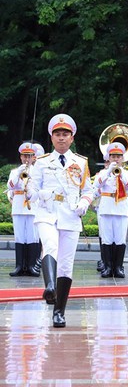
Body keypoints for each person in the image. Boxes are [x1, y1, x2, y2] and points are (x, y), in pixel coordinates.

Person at [28, 114, 94, 327]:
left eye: (65, 134)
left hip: (70, 214)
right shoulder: (41, 162)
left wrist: (84, 203)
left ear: (72, 138)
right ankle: (49, 286)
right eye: (57, 134)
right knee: (50, 245)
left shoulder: (81, 162)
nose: (61, 138)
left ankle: (59, 312)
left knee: (66, 265)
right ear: (51, 137)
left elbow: (88, 189)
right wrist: (35, 193)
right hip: (47, 212)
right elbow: (32, 187)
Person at [93, 142, 128, 278]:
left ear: (123, 158)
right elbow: (96, 184)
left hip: (121, 209)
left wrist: (121, 173)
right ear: (109, 157)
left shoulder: (127, 173)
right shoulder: (103, 173)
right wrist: (108, 171)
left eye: (118, 156)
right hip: (106, 209)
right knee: (106, 239)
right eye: (113, 156)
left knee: (119, 239)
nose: (116, 159)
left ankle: (118, 267)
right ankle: (107, 266)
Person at [7, 142, 40, 277]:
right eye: (24, 156)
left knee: (32, 236)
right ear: (21, 157)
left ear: (33, 157)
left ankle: (31, 265)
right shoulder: (15, 171)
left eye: (29, 156)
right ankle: (19, 266)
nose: (27, 159)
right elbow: (10, 186)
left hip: (32, 206)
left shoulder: (37, 172)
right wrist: (19, 172)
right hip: (19, 206)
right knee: (20, 236)